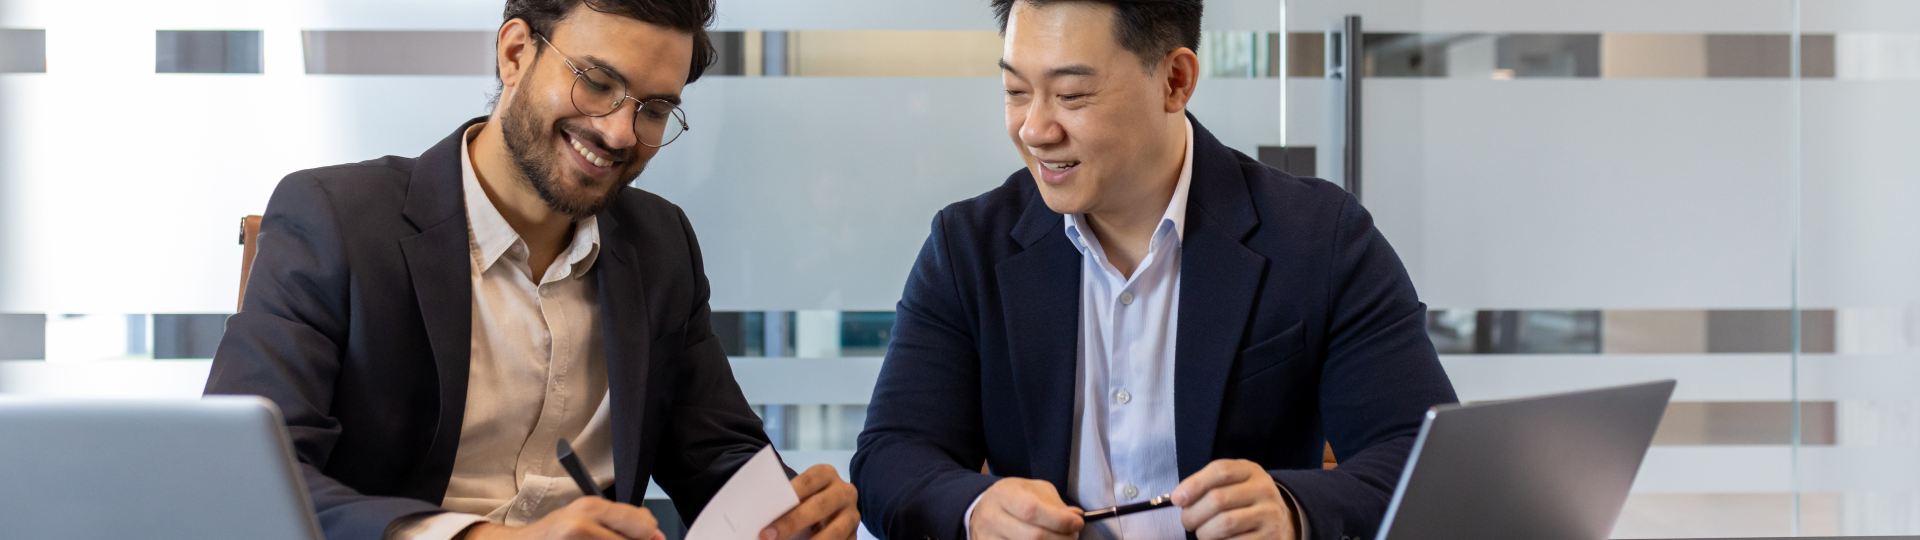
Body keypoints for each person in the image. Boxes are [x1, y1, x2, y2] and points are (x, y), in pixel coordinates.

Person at [204, 1, 858, 538]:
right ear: (515, 53)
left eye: (655, 108)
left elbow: (716, 453)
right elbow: (245, 477)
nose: (622, 132)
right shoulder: (336, 221)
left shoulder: (659, 245)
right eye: (598, 83)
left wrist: (794, 510)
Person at [850, 1, 1457, 539]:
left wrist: (1293, 507)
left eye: (1071, 95)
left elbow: (1419, 457)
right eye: (1015, 91)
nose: (1035, 128)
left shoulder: (1319, 237)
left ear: (1175, 80)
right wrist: (975, 509)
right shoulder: (967, 247)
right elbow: (891, 457)